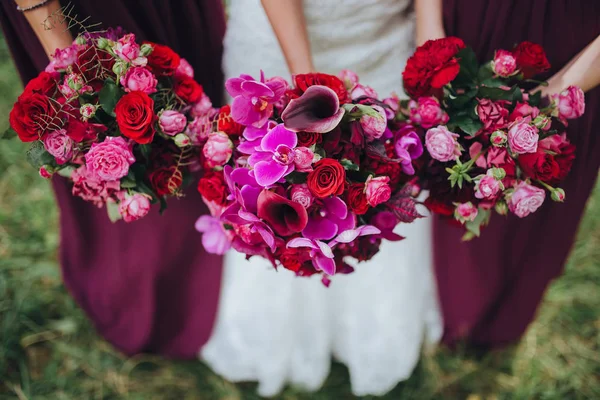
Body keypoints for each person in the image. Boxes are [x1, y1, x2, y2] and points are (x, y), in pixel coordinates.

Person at [199, 0, 442, 397]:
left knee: (379, 186)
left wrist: (430, 66)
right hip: (280, 41)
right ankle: (274, 337)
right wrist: (310, 97)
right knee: (267, 208)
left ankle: (374, 333)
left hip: (381, 38)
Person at [0, 0, 226, 358]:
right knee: (127, 159)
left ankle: (201, 280)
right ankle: (140, 296)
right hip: (82, 10)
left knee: (197, 113)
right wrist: (69, 66)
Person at [416, 0, 600, 347]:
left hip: (573, 51)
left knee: (532, 212)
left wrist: (553, 94)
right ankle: (457, 316)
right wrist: (429, 25)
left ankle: (499, 326)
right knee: (455, 188)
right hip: (472, 22)